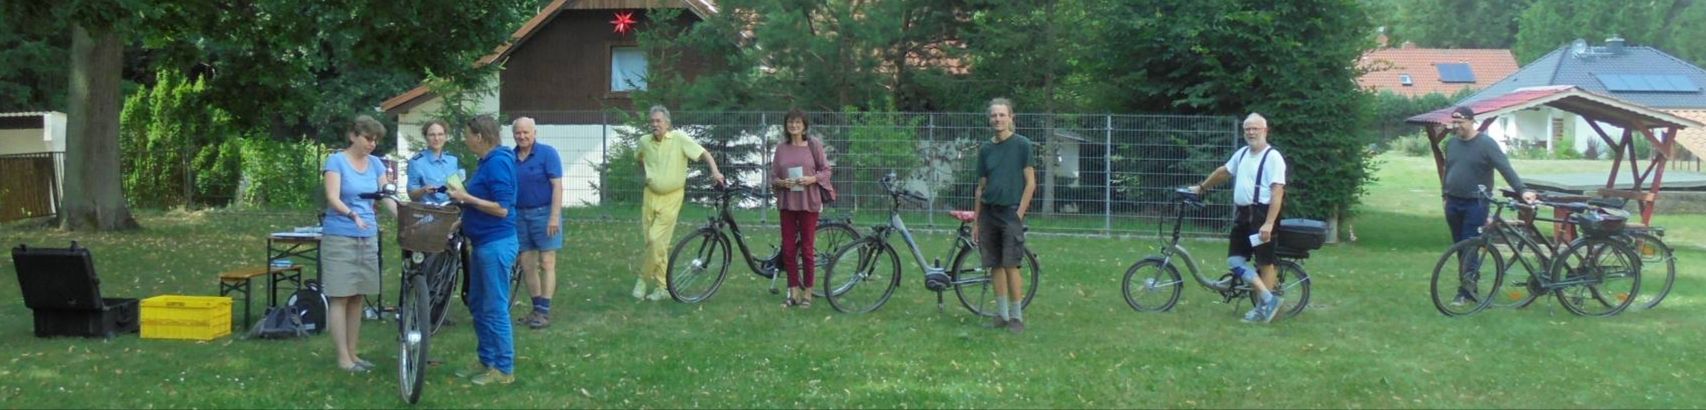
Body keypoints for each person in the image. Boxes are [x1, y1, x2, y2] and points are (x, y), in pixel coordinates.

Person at [1190, 113, 1286, 323]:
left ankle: (1263, 309)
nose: (1251, 132)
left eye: (1255, 129)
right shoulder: (1242, 153)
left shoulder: (1273, 157)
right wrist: (1201, 188)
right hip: (1243, 216)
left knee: (1264, 263)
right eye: (1247, 129)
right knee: (1235, 260)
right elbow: (1224, 172)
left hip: (1262, 217)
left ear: (1265, 131)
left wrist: (1269, 223)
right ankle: (1269, 300)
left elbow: (1277, 192)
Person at [446, 115, 519, 385]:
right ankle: (486, 359)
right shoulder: (486, 162)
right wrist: (462, 220)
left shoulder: (499, 163)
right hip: (481, 244)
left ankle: (504, 369)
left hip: (496, 244)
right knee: (477, 303)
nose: (465, 140)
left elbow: (501, 208)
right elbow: (483, 204)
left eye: (467, 135)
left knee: (495, 307)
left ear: (479, 136)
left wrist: (466, 198)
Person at [1440, 106, 1533, 306]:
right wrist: (1444, 194)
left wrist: (1522, 190)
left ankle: (1466, 291)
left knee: (1470, 246)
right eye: (1454, 123)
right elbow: (1448, 169)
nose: (1457, 127)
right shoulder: (1452, 144)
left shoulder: (1486, 144)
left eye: (1461, 123)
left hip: (1476, 203)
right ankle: (1468, 283)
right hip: (1454, 201)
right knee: (1459, 247)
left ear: (1472, 121)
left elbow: (1505, 167)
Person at [321, 115, 392, 372]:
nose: (372, 144)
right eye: (368, 138)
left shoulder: (376, 164)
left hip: (368, 235)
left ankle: (353, 354)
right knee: (341, 295)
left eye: (375, 140)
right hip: (340, 235)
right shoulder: (336, 161)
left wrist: (405, 216)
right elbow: (333, 197)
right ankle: (342, 358)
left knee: (358, 296)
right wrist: (352, 215)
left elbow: (387, 197)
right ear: (353, 136)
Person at [636, 105, 725, 301]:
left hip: (671, 197)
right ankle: (662, 288)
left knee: (655, 240)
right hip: (649, 196)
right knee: (654, 243)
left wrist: (715, 172)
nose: (654, 125)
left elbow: (704, 154)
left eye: (658, 121)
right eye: (652, 121)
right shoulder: (644, 142)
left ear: (667, 123)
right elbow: (639, 159)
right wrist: (649, 175)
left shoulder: (679, 139)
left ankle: (643, 279)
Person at [971, 98, 1036, 334]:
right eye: (994, 116)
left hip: (1010, 213)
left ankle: (1016, 317)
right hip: (989, 213)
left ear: (1011, 118)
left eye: (1002, 115)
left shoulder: (1022, 145)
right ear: (990, 119)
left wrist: (1019, 213)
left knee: (1011, 265)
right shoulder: (986, 149)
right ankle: (1001, 314)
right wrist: (977, 221)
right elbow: (981, 187)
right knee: (994, 265)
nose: (997, 119)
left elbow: (1030, 183)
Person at [769, 109, 832, 309]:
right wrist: (782, 182)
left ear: (804, 125)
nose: (793, 125)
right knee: (788, 249)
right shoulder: (781, 148)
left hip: (809, 203)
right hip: (788, 203)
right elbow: (773, 177)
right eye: (790, 122)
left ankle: (808, 293)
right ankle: (793, 291)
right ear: (786, 125)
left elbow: (826, 170)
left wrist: (812, 179)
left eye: (797, 122)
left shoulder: (814, 145)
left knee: (806, 249)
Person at [510, 117, 564, 329]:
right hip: (519, 215)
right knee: (527, 264)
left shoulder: (547, 154)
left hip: (544, 213)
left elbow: (557, 187)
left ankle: (544, 310)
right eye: (518, 133)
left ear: (535, 133)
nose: (522, 136)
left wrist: (553, 216)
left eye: (526, 132)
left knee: (547, 262)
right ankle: (536, 307)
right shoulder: (510, 157)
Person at [407, 119, 460, 204]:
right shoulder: (416, 162)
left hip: (449, 212)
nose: (436, 138)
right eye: (432, 135)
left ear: (446, 137)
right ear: (425, 137)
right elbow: (411, 195)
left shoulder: (452, 161)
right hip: (426, 212)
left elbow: (458, 190)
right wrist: (423, 190)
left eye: (440, 134)